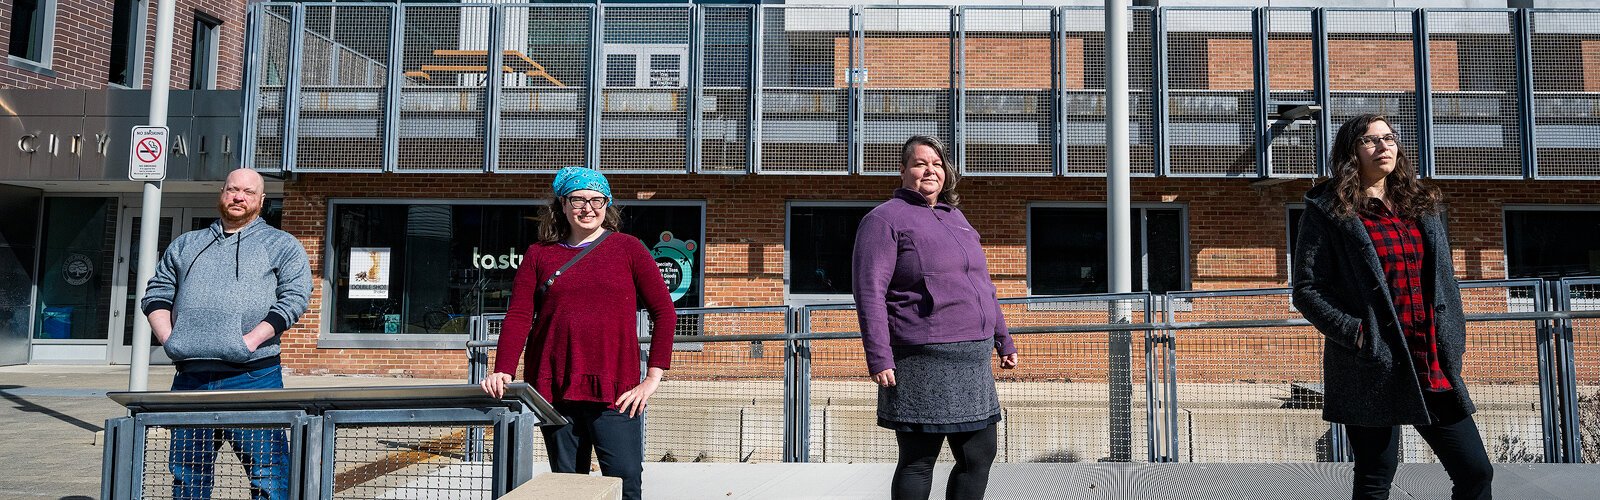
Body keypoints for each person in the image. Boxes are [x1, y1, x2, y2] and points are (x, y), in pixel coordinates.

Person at [1292, 114, 1494, 500]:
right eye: (1370, 140)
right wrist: (1358, 334)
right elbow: (1307, 289)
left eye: (1388, 138)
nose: (1383, 146)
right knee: (1376, 475)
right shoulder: (1330, 211)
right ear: (1352, 152)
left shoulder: (1420, 204)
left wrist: (1453, 336)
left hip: (1429, 357)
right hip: (1372, 363)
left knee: (1475, 470)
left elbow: (1444, 282)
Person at [481, 166, 676, 500]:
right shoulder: (539, 254)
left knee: (626, 480)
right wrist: (503, 369)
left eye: (597, 199)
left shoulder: (628, 248)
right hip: (555, 387)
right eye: (578, 199)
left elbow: (665, 312)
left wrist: (652, 378)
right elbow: (518, 316)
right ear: (563, 204)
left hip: (617, 390)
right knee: (569, 485)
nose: (588, 207)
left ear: (607, 204)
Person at [852, 135, 1020, 500]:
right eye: (920, 163)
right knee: (918, 460)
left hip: (972, 361)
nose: (930, 170)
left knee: (979, 455)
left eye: (938, 164)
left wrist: (1002, 338)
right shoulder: (883, 220)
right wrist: (879, 356)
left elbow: (982, 285)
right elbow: (869, 293)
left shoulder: (957, 218)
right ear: (902, 171)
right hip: (922, 361)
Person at [142, 168, 311, 500]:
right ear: (221, 193)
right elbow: (157, 294)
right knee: (188, 475)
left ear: (261, 201)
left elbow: (294, 299)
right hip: (191, 380)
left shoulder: (281, 245)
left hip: (253, 378)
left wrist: (249, 341)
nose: (239, 197)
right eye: (233, 189)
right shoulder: (187, 244)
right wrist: (169, 339)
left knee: (269, 476)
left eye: (248, 192)